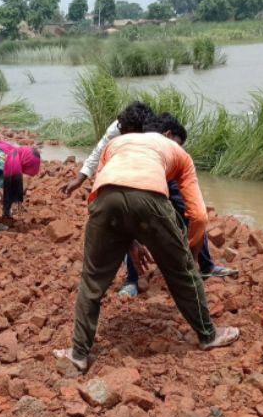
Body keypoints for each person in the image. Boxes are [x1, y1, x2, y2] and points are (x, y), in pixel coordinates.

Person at [54, 103, 240, 372]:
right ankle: (208, 336)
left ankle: (79, 353)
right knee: (183, 273)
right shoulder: (179, 153)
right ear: (167, 135)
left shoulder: (115, 143)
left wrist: (128, 241)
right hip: (150, 199)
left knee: (92, 280)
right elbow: (198, 216)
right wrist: (186, 252)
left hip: (103, 200)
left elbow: (112, 190)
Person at [62, 104, 237, 298]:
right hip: (135, 175)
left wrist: (193, 256)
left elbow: (197, 215)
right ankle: (133, 278)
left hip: (162, 172)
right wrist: (81, 178)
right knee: (132, 219)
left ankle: (205, 265)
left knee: (191, 209)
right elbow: (100, 153)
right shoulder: (119, 131)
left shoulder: (160, 138)